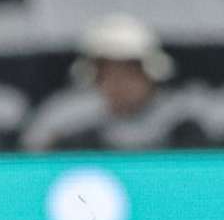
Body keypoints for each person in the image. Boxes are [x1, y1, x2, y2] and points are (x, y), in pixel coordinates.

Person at [22, 13, 206, 151]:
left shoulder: (183, 116)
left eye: (130, 73)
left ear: (150, 75)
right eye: (108, 74)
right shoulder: (65, 118)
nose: (119, 84)